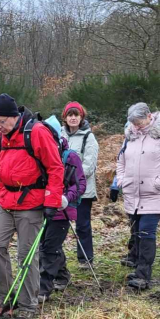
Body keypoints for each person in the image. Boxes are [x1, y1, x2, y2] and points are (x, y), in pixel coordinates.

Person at [0, 94, 64, 319]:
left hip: (32, 202)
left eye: (0, 122)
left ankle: (28, 305)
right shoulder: (1, 137)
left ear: (13, 117)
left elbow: (55, 167)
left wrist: (52, 201)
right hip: (6, 202)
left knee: (26, 255)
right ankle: (6, 298)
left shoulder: (36, 132)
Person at [114, 103, 160, 289]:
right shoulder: (130, 136)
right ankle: (137, 266)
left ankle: (143, 275)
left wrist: (159, 182)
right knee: (135, 231)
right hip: (132, 194)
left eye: (139, 122)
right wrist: (121, 179)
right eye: (133, 123)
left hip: (154, 194)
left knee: (146, 232)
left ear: (149, 116)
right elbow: (120, 160)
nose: (137, 126)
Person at [38, 135, 86, 299]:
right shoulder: (38, 152)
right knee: (45, 245)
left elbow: (80, 183)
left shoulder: (70, 156)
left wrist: (66, 198)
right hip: (41, 209)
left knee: (49, 248)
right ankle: (62, 276)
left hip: (62, 211)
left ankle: (43, 289)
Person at [61, 101, 99, 266]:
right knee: (60, 223)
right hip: (62, 190)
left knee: (82, 225)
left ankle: (85, 258)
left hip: (83, 190)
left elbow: (89, 165)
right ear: (65, 117)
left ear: (81, 116)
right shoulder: (59, 135)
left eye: (76, 114)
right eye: (70, 115)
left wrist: (72, 179)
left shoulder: (89, 137)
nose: (73, 118)